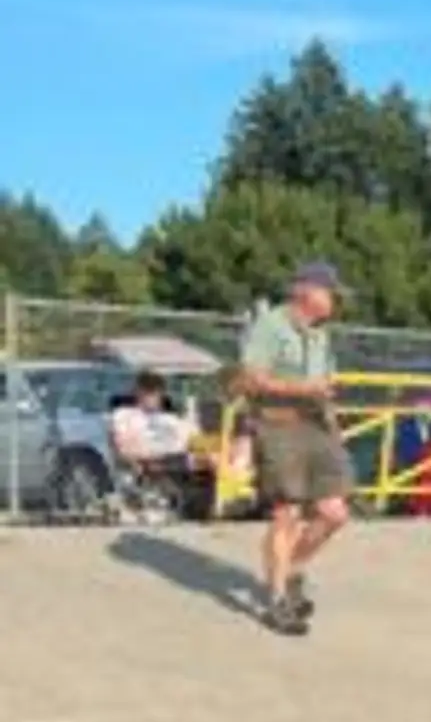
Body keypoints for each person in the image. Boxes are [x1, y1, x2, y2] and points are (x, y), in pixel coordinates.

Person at [235, 261, 353, 635]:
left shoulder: (321, 335)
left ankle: (292, 571)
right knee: (286, 514)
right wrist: (303, 391)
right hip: (278, 425)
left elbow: (325, 385)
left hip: (316, 427)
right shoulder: (271, 325)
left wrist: (334, 425)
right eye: (330, 291)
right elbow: (250, 380)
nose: (335, 299)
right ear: (306, 291)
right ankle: (276, 601)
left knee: (334, 513)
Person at [108, 370, 210, 519]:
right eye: (148, 393)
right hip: (146, 461)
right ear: (138, 393)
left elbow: (194, 439)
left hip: (176, 462)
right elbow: (122, 446)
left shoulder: (172, 419)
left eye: (156, 393)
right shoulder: (125, 415)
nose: (152, 398)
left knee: (204, 460)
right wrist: (137, 457)